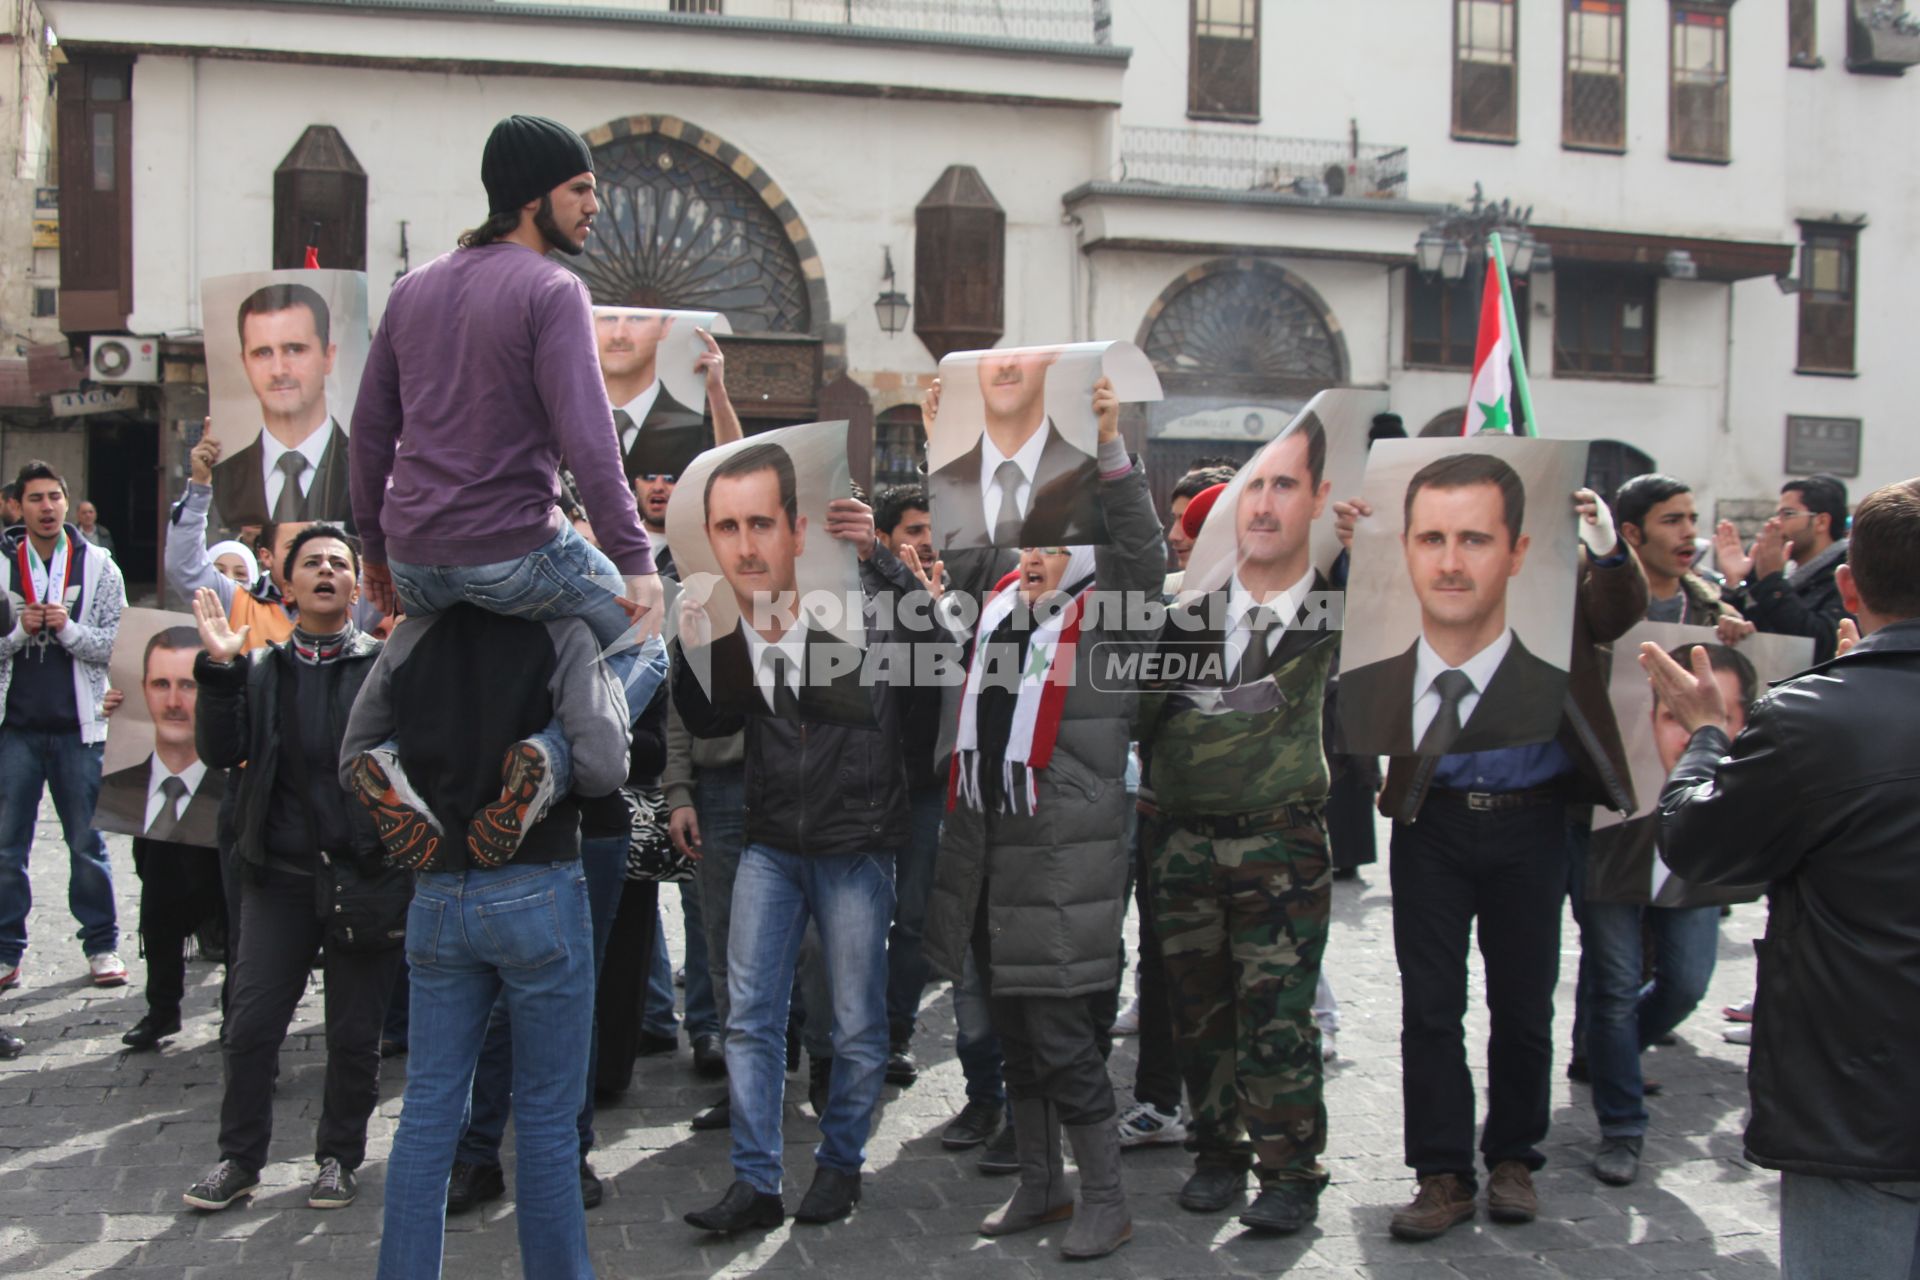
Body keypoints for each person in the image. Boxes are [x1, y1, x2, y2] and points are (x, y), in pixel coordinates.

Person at [348, 113, 667, 870]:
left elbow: (368, 432)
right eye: (582, 189)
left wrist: (375, 553)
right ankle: (551, 760)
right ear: (533, 197)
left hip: (420, 558)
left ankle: (379, 755)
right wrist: (636, 563)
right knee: (653, 640)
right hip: (516, 555)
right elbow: (591, 440)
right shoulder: (554, 289)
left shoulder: (411, 288)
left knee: (419, 644)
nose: (595, 206)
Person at [1334, 483, 1646, 1241]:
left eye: (1478, 537)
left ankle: (1513, 1158)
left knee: (1524, 1004)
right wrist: (1360, 550)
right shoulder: (1417, 583)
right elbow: (1360, 621)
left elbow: (1617, 610)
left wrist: (1604, 543)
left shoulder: (1553, 590)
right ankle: (1441, 1173)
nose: (1457, 555)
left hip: (1532, 825)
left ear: (1515, 545)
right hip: (1432, 821)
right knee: (1432, 1008)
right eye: (1444, 536)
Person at [1643, 477, 1920, 1280]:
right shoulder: (1821, 712)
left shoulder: (1812, 716)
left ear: (1847, 584)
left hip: (1857, 1098)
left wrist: (1702, 736)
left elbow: (1699, 846)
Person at [921, 377, 1166, 1261]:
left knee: (1063, 1040)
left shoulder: (1113, 622)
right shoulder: (995, 610)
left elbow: (1142, 550)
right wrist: (943, 437)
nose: (1032, 558)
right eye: (1027, 547)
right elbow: (965, 533)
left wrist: (1107, 443)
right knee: (1016, 1038)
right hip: (991, 848)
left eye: (1055, 549)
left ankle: (1107, 1198)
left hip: (1066, 858)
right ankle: (1040, 1184)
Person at [342, 603, 628, 1280]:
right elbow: (606, 766)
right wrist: (558, 745)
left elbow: (352, 752)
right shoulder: (561, 630)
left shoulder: (413, 631)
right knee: (549, 1121)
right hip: (537, 885)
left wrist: (394, 763)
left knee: (428, 1110)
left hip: (439, 889)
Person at [674, 484, 929, 1235]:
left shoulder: (881, 604)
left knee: (853, 1023)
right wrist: (694, 644)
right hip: (771, 840)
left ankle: (841, 1163)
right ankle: (755, 1181)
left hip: (857, 843)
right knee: (749, 1020)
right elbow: (712, 715)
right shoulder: (760, 611)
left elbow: (942, 648)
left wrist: (880, 558)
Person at [1135, 420, 1338, 1234]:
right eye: (1208, 529)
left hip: (1278, 844)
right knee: (1198, 1011)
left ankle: (1290, 1172)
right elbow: (1136, 716)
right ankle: (1217, 1153)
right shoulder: (1168, 610)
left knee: (1277, 1017)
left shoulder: (1315, 610)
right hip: (1181, 840)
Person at [180, 526, 408, 1214]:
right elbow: (222, 753)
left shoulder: (383, 666)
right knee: (250, 1028)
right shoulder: (261, 669)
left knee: (352, 1034)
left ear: (354, 585)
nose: (328, 572)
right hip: (276, 873)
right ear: (287, 584)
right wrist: (220, 672)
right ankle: (239, 1160)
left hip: (363, 874)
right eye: (312, 563)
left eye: (340, 563)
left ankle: (339, 1157)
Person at [1578, 642, 1759, 1186]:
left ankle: (1612, 1056)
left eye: (1715, 717)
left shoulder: (1719, 828)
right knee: (1613, 989)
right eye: (1673, 716)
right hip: (1611, 850)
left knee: (1685, 981)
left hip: (1697, 858)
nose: (1691, 734)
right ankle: (1623, 1125)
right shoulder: (1620, 818)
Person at [1340, 453, 1568, 755]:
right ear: (1406, 548)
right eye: (1432, 540)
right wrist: (1348, 560)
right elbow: (1321, 619)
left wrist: (1609, 553)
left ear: (1517, 553)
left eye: (1474, 540)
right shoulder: (1359, 691)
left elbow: (1613, 613)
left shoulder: (1557, 696)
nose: (1450, 565)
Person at [0, 460, 127, 992]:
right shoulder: (2, 566)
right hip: (16, 728)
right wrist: (15, 634)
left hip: (81, 727)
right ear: (16, 506)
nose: (46, 507)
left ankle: (101, 946)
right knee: (8, 846)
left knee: (86, 842)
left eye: (54, 497)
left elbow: (116, 643)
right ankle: (7, 951)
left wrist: (68, 630)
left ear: (67, 503)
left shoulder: (99, 565)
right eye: (35, 499)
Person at [679, 442, 874, 728]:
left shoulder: (876, 618)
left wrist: (877, 558)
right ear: (709, 536)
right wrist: (698, 656)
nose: (746, 549)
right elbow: (710, 725)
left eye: (761, 524)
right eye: (728, 527)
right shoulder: (718, 635)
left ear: (797, 533)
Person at [104, 627, 231, 1052]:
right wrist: (118, 713)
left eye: (188, 685)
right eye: (161, 684)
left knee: (235, 917)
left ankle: (238, 1016)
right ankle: (162, 1010)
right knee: (158, 913)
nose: (174, 701)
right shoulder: (129, 784)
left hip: (221, 820)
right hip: (160, 840)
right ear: (144, 690)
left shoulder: (231, 769)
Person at [870, 484, 949, 1087]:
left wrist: (937, 611)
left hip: (926, 782)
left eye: (930, 531)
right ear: (885, 539)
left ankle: (896, 1032)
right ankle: (852, 1032)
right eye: (913, 531)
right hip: (865, 781)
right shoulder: (861, 593)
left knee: (914, 916)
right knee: (859, 915)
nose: (924, 542)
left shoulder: (955, 599)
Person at [926, 350, 1103, 552]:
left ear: (1054, 354)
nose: (1007, 363)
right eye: (990, 353)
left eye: (1024, 350)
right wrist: (936, 448)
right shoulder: (946, 480)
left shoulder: (1091, 477)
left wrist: (1112, 445)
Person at [211, 282, 354, 530]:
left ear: (328, 357)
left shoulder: (366, 472)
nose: (278, 370)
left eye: (294, 349)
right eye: (262, 353)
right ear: (244, 362)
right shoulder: (220, 480)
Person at [597, 308, 743, 488]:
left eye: (636, 319)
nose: (618, 335)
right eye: (609, 319)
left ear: (666, 326)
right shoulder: (571, 422)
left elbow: (734, 471)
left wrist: (716, 391)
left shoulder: (689, 424)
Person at [1715, 473, 1852, 662]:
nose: (1776, 523)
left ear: (1821, 522)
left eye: (1788, 514)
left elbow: (1821, 644)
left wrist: (1772, 580)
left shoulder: (1846, 575)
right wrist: (1735, 582)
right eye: (1776, 514)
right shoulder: (1781, 573)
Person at [1615, 473, 1753, 637]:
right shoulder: (1599, 604)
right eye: (1672, 521)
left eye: (1692, 520)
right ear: (1633, 533)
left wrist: (1741, 640)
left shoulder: (1717, 616)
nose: (1690, 532)